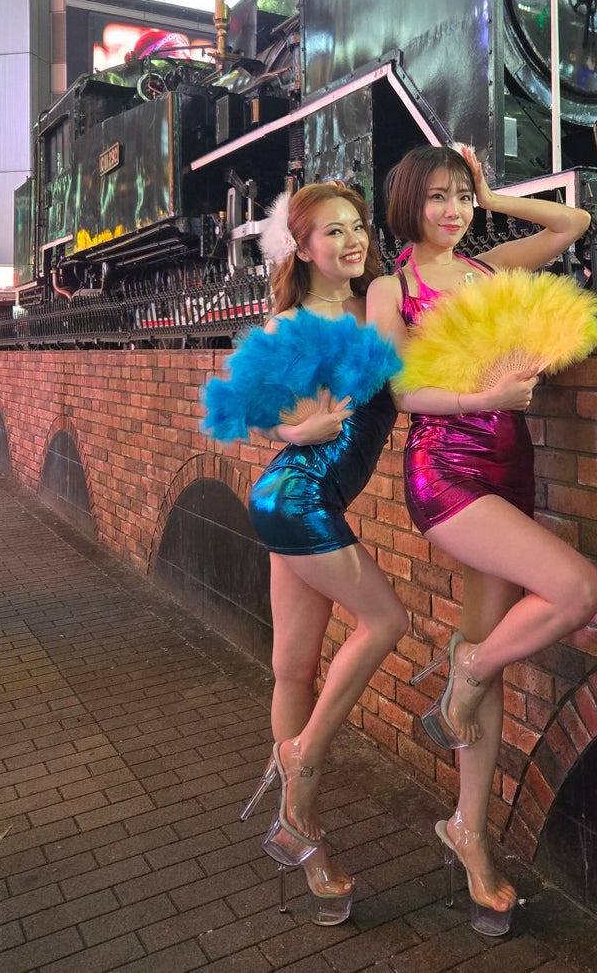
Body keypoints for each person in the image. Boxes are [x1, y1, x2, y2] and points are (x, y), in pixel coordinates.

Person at [366, 145, 597, 936]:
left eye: (461, 196)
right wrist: (486, 394)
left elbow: (572, 222)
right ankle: (463, 671)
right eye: (438, 196)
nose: (452, 211)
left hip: (511, 464)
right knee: (575, 590)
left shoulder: (489, 268)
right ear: (409, 202)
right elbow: (402, 393)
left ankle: (468, 833)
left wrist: (495, 194)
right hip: (445, 468)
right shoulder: (392, 290)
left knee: (488, 646)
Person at [235, 182, 408, 925]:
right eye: (333, 231)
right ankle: (301, 761)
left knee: (293, 668)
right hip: (296, 497)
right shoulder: (290, 324)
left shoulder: (378, 306)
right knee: (387, 621)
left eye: (357, 226)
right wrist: (291, 430)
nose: (353, 239)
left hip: (306, 503)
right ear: (301, 248)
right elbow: (263, 407)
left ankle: (300, 835)